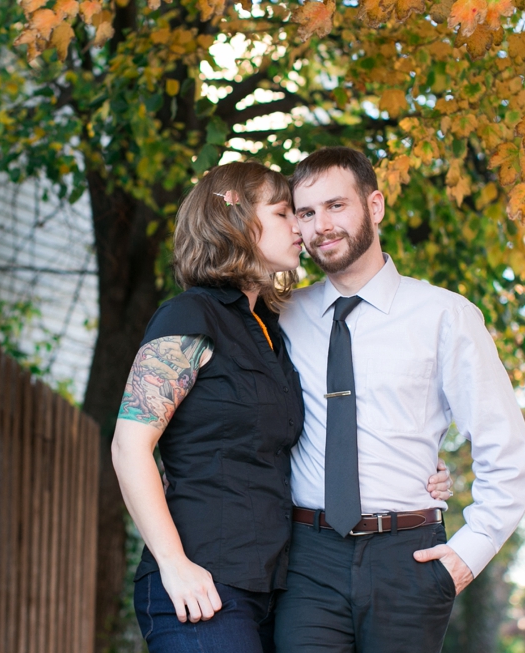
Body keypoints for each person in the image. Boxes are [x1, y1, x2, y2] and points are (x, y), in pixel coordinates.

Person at [110, 161, 455, 652]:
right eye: (283, 213)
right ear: (235, 224)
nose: (301, 227)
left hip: (275, 588)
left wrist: (420, 468)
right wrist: (174, 564)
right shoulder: (189, 315)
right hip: (199, 583)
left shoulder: (272, 328)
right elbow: (129, 447)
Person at [274, 147, 525, 653]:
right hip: (307, 560)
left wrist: (465, 557)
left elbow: (506, 453)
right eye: (306, 213)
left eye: (335, 206)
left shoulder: (446, 316)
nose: (321, 225)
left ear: (375, 206)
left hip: (408, 560)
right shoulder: (283, 316)